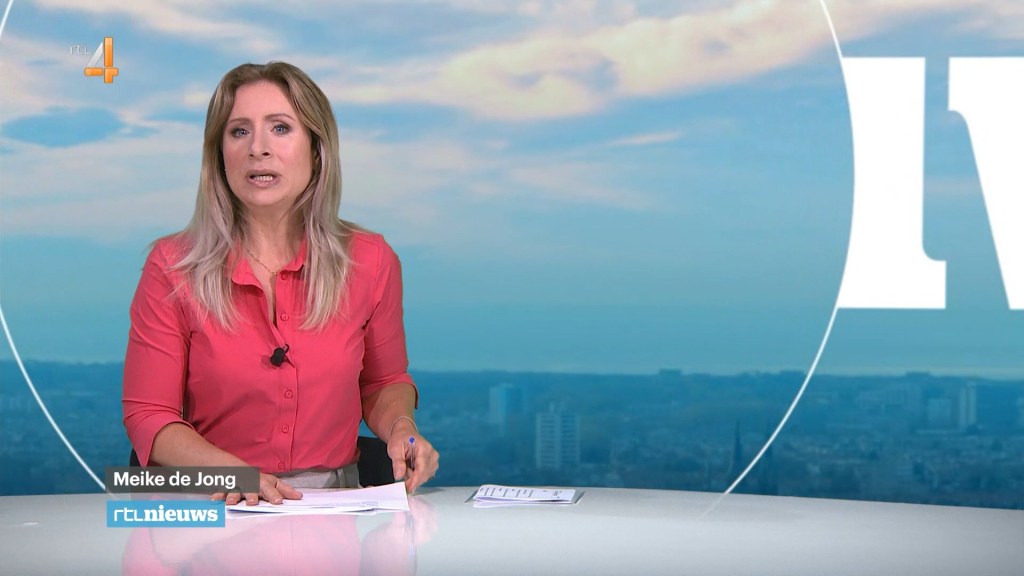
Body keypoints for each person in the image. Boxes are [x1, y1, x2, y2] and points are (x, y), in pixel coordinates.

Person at [122, 61, 438, 505]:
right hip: (208, 502)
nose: (258, 149)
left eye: (280, 128)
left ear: (316, 149)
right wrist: (229, 473)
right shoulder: (172, 266)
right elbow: (148, 414)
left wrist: (403, 428)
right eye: (239, 132)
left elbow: (384, 381)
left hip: (332, 509)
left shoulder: (370, 260)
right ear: (219, 155)